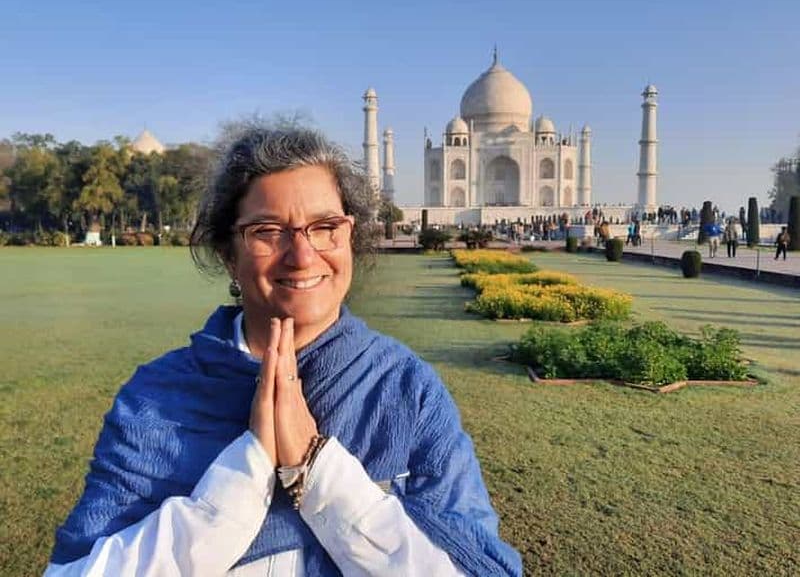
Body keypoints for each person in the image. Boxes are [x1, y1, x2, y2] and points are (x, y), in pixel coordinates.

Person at [46, 128, 522, 576]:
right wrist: (243, 475)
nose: (302, 255)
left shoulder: (403, 390)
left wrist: (319, 472)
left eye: (324, 226)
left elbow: (475, 566)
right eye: (269, 230)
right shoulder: (157, 398)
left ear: (349, 237)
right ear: (228, 254)